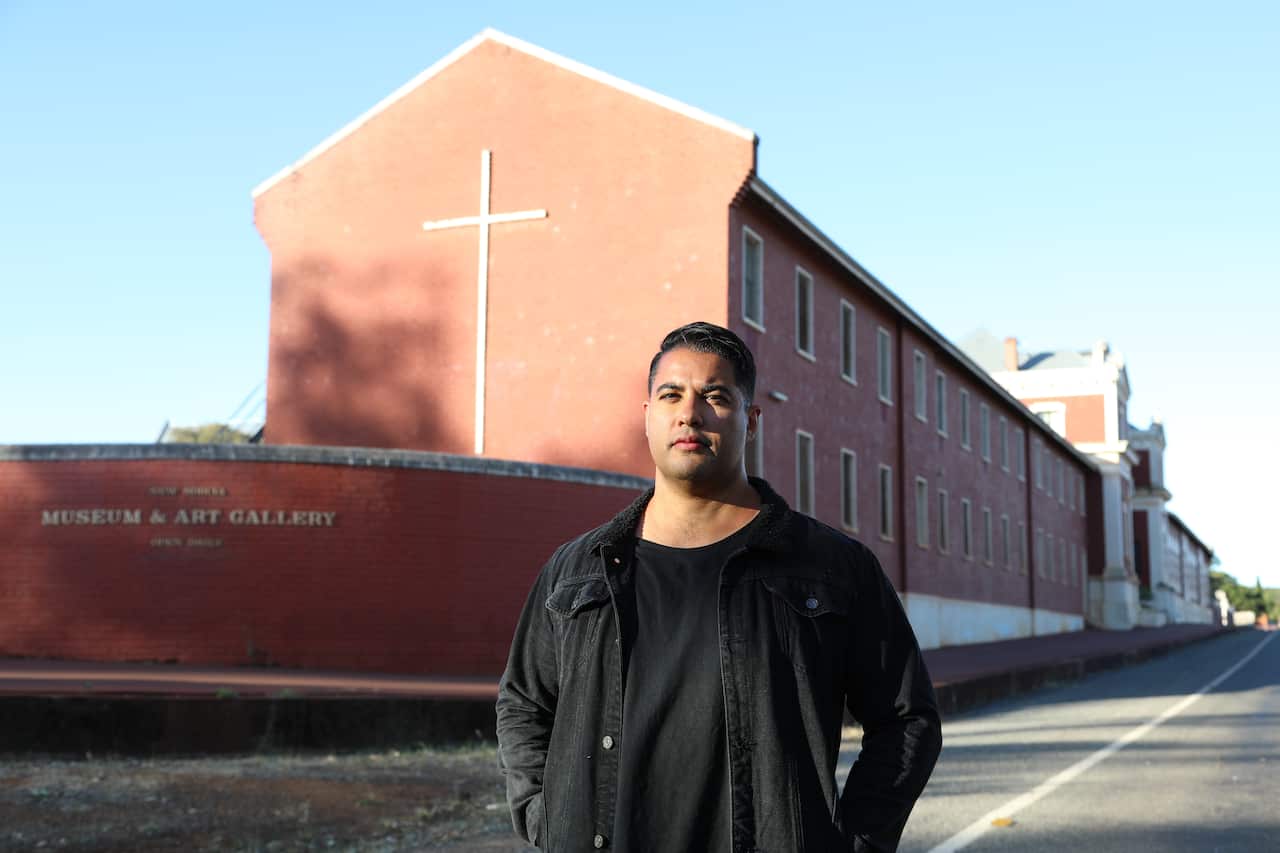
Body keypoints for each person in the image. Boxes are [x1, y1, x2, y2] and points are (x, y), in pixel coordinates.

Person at [496, 321, 941, 852]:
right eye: (671, 395)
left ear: (751, 421)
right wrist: (544, 818)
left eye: (715, 395)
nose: (690, 413)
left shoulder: (832, 568)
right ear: (647, 417)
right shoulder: (577, 569)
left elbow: (905, 719)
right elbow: (523, 702)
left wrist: (853, 842)